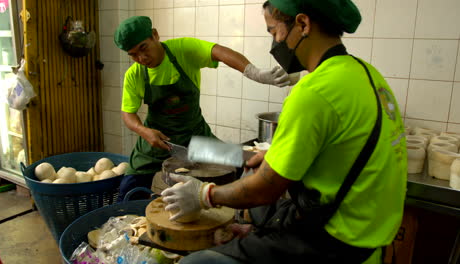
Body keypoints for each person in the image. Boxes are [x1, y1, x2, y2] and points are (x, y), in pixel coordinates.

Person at [161, 0, 407, 263]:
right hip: (367, 242)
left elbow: (262, 191)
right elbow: (340, 153)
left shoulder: (314, 92)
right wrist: (272, 159)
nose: (275, 44)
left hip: (331, 245)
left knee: (193, 262)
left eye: (273, 31)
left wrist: (205, 195)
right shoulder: (366, 74)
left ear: (302, 24)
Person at [113, 16, 291, 202]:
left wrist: (254, 73)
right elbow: (128, 114)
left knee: (242, 163)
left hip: (196, 139)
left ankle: (239, 219)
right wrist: (144, 131)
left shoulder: (182, 50)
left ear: (155, 35)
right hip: (156, 144)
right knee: (127, 192)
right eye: (133, 55)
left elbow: (219, 52)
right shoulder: (134, 75)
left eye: (143, 48)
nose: (141, 58)